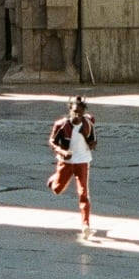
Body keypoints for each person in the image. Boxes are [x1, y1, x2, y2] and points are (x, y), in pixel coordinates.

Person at [47, 94, 98, 239]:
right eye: (75, 112)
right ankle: (53, 180)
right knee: (57, 189)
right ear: (70, 110)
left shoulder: (88, 124)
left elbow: (94, 140)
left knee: (83, 193)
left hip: (82, 161)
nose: (78, 115)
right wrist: (62, 152)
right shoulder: (62, 125)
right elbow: (52, 142)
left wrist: (92, 144)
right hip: (67, 162)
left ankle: (86, 225)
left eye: (80, 112)